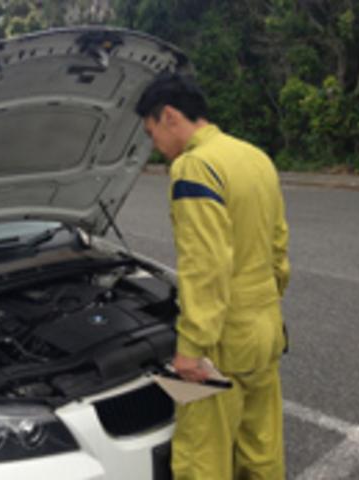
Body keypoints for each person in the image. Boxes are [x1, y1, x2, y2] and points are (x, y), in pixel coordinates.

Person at [135, 73, 290, 479]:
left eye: (151, 133)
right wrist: (265, 302)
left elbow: (206, 266)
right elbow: (278, 247)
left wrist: (192, 347)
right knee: (262, 446)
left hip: (223, 340)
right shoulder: (253, 156)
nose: (155, 145)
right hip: (266, 326)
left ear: (170, 116)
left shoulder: (195, 168)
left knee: (202, 456)